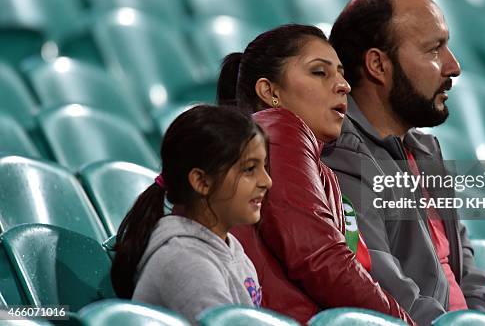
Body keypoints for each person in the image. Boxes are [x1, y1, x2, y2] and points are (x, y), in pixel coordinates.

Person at [322, 0, 485, 325]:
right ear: (378, 65)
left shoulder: (426, 151)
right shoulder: (342, 159)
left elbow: (469, 273)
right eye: (434, 50)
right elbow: (383, 290)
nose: (453, 66)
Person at [218, 24, 415, 325]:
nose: (343, 86)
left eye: (341, 74)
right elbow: (320, 259)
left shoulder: (310, 159)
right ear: (270, 91)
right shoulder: (277, 129)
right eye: (319, 73)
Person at [111, 105, 271, 323]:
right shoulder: (185, 262)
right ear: (202, 181)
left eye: (264, 167)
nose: (266, 181)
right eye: (250, 169)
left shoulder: (231, 250)